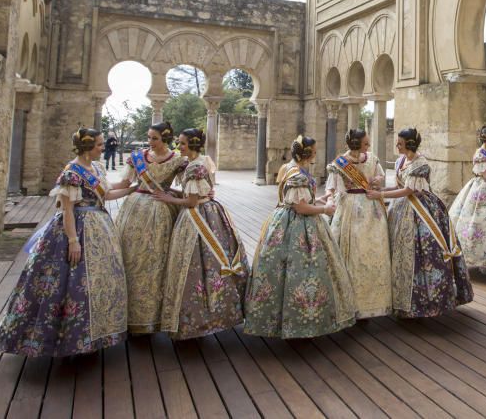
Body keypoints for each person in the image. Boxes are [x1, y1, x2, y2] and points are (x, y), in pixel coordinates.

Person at [0, 128, 136, 356]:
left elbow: (106, 195)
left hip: (100, 228)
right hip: (75, 230)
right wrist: (73, 241)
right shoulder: (71, 173)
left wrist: (133, 189)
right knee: (67, 282)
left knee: (100, 280)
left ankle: (97, 333)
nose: (103, 148)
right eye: (100, 145)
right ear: (88, 148)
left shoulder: (97, 168)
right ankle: (65, 339)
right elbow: (67, 210)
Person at [244, 135, 356, 338]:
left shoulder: (291, 169)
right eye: (315, 151)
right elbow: (300, 206)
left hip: (285, 220)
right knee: (303, 271)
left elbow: (300, 199)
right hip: (298, 227)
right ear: (309, 154)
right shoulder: (298, 176)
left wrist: (318, 199)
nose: (316, 153)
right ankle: (300, 323)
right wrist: (324, 209)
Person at [155, 128, 249, 339]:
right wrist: (175, 191)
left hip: (197, 217)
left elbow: (191, 201)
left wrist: (169, 198)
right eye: (179, 143)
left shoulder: (194, 168)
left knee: (195, 266)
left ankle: (197, 320)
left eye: (183, 144)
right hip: (210, 211)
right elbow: (197, 192)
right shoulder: (202, 162)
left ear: (193, 145)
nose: (179, 147)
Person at [368, 128, 473, 317]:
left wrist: (380, 195)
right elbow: (399, 186)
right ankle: (400, 300)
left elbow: (408, 191)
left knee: (423, 253)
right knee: (400, 253)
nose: (397, 145)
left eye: (400, 143)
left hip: (420, 211)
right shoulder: (401, 160)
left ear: (409, 144)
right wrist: (381, 187)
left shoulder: (421, 164)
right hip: (401, 210)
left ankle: (423, 303)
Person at [114, 121, 188, 334]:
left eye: (154, 138)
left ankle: (152, 318)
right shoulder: (138, 157)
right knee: (130, 258)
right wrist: (95, 188)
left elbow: (188, 187)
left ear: (165, 138)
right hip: (134, 209)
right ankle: (126, 316)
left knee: (155, 262)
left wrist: (188, 195)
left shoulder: (178, 160)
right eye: (149, 138)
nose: (150, 142)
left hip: (160, 212)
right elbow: (123, 185)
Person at [326, 129, 392, 319]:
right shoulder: (340, 164)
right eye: (365, 144)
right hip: (349, 210)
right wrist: (330, 199)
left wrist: (376, 180)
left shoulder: (372, 158)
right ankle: (350, 302)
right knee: (352, 253)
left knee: (373, 252)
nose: (368, 147)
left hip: (372, 210)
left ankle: (372, 303)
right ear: (355, 144)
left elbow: (380, 177)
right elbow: (331, 187)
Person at [448, 126, 486, 272]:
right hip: (483, 190)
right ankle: (482, 262)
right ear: (484, 139)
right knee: (482, 224)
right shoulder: (480, 155)